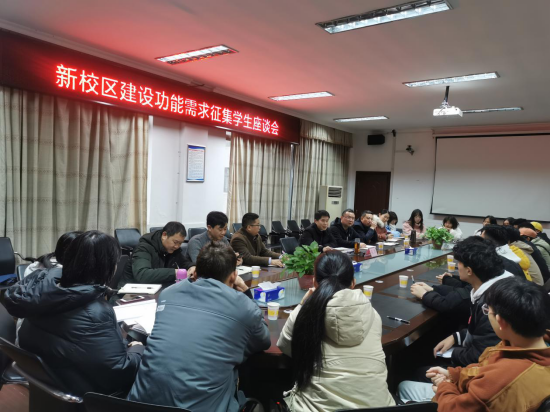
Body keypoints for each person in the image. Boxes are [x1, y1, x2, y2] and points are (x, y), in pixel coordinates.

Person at [128, 243, 271, 412]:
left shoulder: (168, 293)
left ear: (195, 273)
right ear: (234, 276)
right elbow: (263, 340)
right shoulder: (244, 306)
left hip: (138, 405)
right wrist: (247, 293)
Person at [5, 231, 143, 397]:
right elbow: (119, 372)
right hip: (83, 392)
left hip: (51, 379)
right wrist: (138, 348)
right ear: (107, 267)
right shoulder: (95, 312)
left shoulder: (42, 289)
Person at [400, 277, 550, 411]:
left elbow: (453, 408)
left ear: (500, 321)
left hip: (454, 401)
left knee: (404, 388)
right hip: (468, 392)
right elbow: (484, 370)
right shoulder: (522, 345)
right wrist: (453, 375)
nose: (486, 313)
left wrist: (444, 386)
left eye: (487, 310)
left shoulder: (504, 378)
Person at [277, 251, 395, 412]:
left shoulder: (305, 314)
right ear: (353, 283)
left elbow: (285, 346)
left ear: (314, 282)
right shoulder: (373, 315)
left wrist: (302, 306)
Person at [426, 238, 513, 370]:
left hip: (483, 369)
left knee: (420, 371)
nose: (457, 266)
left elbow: (481, 356)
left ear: (469, 270)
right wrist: (457, 337)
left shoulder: (491, 305)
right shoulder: (501, 283)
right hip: (490, 360)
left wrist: (454, 354)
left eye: (459, 263)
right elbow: (483, 331)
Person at [119, 222, 190, 289]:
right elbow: (142, 275)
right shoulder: (144, 248)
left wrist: (192, 267)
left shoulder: (172, 249)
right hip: (130, 292)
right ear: (164, 235)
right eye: (175, 242)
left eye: (180, 243)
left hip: (155, 290)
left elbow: (184, 263)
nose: (177, 246)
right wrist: (175, 273)